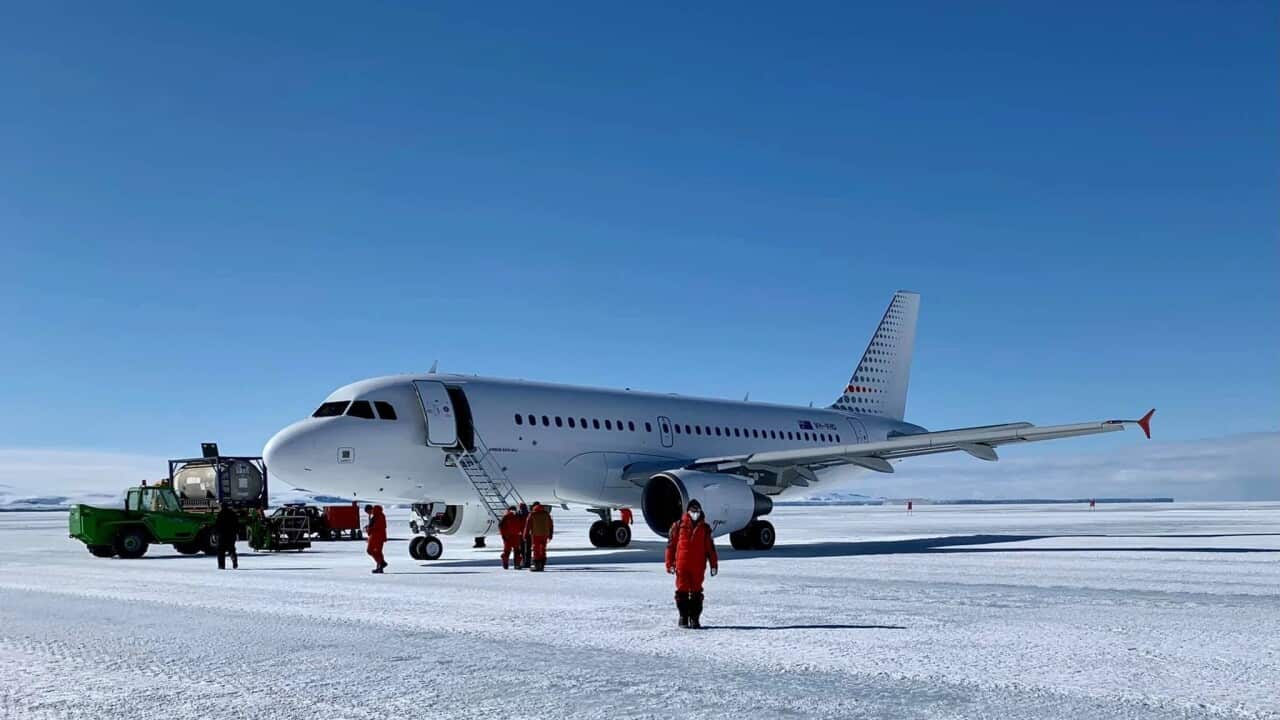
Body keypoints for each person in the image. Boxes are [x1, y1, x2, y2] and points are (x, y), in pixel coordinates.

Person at [665, 499, 718, 628]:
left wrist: (714, 565)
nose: (695, 513)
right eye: (693, 511)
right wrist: (669, 564)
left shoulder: (705, 529)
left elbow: (710, 549)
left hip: (698, 566)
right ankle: (683, 617)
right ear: (688, 512)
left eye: (697, 511)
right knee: (682, 591)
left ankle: (694, 618)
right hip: (682, 565)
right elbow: (670, 547)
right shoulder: (678, 526)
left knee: (696, 592)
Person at [523, 502, 554, 572]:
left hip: (536, 534)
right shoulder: (546, 514)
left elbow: (527, 525)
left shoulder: (532, 514)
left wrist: (525, 535)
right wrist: (550, 534)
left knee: (536, 550)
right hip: (545, 534)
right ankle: (542, 565)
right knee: (543, 549)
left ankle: (537, 566)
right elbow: (551, 525)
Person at [214, 502, 240, 570]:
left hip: (222, 534)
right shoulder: (232, 513)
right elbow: (237, 524)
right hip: (231, 534)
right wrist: (236, 532)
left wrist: (216, 533)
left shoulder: (220, 514)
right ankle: (234, 561)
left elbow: (217, 525)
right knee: (231, 549)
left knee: (221, 550)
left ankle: (221, 565)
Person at [498, 505, 524, 570]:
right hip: (515, 536)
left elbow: (501, 526)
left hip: (508, 537)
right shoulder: (518, 516)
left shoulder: (506, 517)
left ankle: (506, 564)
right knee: (517, 551)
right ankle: (517, 565)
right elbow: (522, 525)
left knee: (507, 552)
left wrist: (503, 535)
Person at [365, 504, 388, 574]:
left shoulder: (377, 515)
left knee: (370, 551)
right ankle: (379, 567)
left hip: (376, 537)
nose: (369, 514)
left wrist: (369, 528)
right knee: (378, 552)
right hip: (379, 536)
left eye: (368, 512)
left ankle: (381, 563)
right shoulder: (378, 514)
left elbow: (378, 526)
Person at [515, 502, 531, 569]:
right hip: (528, 534)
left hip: (520, 534)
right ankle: (527, 562)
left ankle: (522, 562)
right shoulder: (529, 514)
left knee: (521, 549)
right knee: (528, 549)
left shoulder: (518, 514)